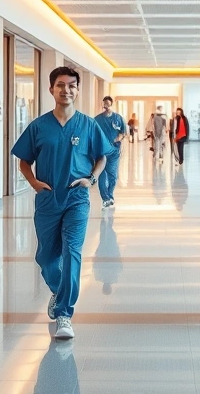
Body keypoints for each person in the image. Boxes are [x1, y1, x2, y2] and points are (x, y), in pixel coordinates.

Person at [11, 66, 110, 340]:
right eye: (60, 85)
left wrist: (91, 179)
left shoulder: (89, 125)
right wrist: (33, 183)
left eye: (71, 86)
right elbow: (23, 160)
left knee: (72, 252)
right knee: (46, 256)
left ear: (78, 90)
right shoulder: (39, 126)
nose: (66, 90)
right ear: (51, 89)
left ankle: (65, 313)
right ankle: (58, 290)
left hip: (77, 198)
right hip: (47, 199)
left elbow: (102, 157)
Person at [94, 96, 126, 209]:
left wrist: (117, 139)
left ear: (111, 104)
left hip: (114, 150)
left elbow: (123, 133)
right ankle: (105, 198)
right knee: (102, 174)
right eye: (104, 103)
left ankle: (110, 195)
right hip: (101, 151)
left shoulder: (118, 118)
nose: (106, 106)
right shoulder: (97, 119)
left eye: (108, 103)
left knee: (113, 175)